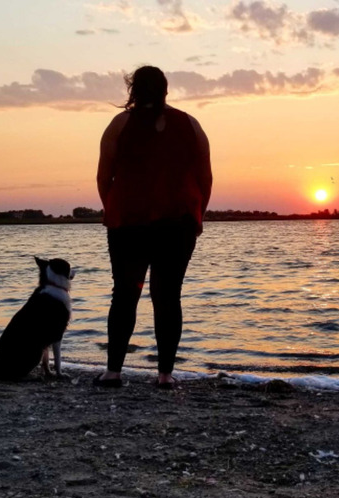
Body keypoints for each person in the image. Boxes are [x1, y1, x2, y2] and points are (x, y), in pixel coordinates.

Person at [95, 65, 212, 389]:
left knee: (125, 294)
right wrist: (197, 215)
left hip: (128, 223)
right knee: (168, 296)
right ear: (165, 89)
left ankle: (113, 372)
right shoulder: (191, 125)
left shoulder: (119, 124)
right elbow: (205, 178)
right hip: (177, 222)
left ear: (133, 90)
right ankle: (164, 375)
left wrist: (114, 209)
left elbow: (104, 177)